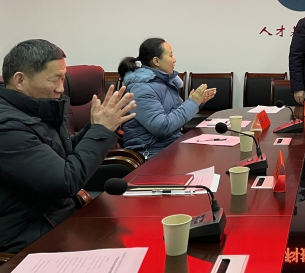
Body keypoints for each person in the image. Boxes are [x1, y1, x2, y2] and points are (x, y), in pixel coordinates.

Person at [0, 39, 136, 254]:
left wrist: (97, 126)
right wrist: (101, 131)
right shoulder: (7, 128)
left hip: (61, 218)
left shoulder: (38, 109)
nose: (60, 88)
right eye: (54, 79)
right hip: (32, 238)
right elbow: (65, 180)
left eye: (63, 78)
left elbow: (63, 153)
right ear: (20, 80)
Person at [119, 38, 216, 159]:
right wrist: (192, 103)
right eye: (170, 55)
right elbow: (162, 127)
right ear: (156, 61)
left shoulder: (162, 83)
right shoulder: (141, 89)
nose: (174, 59)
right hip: (150, 152)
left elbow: (177, 116)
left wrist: (197, 102)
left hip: (171, 145)